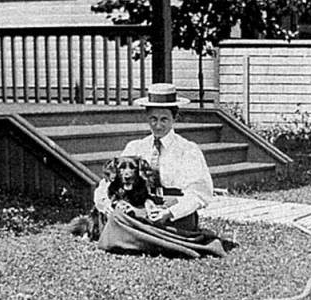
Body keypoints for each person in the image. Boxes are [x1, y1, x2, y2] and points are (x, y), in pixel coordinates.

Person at [93, 83, 225, 258]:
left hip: (174, 211)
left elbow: (200, 194)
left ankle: (131, 237)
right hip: (140, 207)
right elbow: (106, 185)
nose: (158, 125)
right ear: (147, 118)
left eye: (164, 119)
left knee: (121, 221)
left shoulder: (188, 150)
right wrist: (108, 205)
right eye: (153, 119)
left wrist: (169, 213)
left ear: (175, 118)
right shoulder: (136, 147)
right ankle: (161, 241)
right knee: (119, 214)